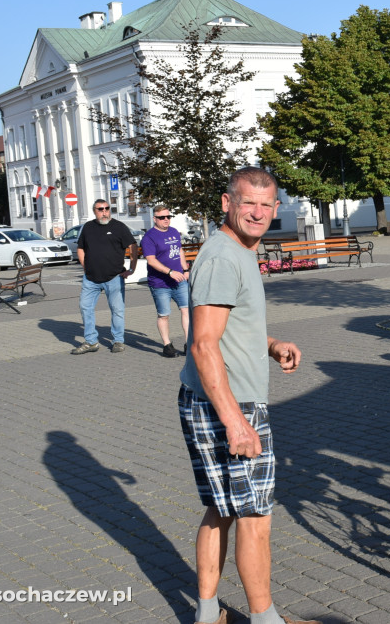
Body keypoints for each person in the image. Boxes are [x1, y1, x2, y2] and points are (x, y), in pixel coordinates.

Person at [178, 168, 318, 624]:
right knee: (255, 517)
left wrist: (271, 344)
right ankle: (265, 620)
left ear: (277, 208)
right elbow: (203, 344)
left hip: (215, 399)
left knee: (221, 510)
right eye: (248, 202)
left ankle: (206, 614)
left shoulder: (236, 250)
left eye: (266, 204)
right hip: (230, 404)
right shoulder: (222, 257)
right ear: (227, 203)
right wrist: (236, 421)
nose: (258, 213)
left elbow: (227, 331)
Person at [71, 200, 138, 355]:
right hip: (91, 278)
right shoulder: (88, 227)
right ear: (94, 211)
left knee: (117, 310)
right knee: (85, 307)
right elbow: (81, 248)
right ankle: (91, 341)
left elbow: (133, 246)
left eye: (107, 208)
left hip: (114, 277)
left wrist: (132, 269)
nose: (105, 212)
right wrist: (85, 266)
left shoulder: (119, 227)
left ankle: (118, 341)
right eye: (100, 209)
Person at [141, 205, 190, 358]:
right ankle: (167, 345)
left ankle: (189, 343)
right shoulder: (149, 237)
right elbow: (151, 260)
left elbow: (179, 250)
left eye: (168, 217)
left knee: (186, 310)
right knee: (164, 315)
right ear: (155, 219)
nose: (166, 220)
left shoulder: (174, 232)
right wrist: (170, 272)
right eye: (162, 217)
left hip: (179, 281)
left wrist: (185, 269)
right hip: (160, 283)